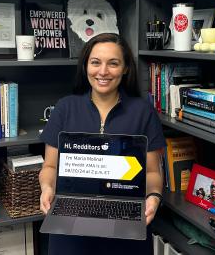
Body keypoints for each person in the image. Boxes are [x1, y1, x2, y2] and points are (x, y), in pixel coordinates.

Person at [39, 33, 165, 255]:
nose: (103, 72)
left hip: (126, 218)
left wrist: (154, 197)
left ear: (125, 68)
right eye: (95, 62)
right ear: (86, 65)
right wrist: (47, 188)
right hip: (71, 216)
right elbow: (50, 167)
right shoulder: (65, 107)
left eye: (113, 63)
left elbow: (153, 172)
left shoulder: (143, 111)